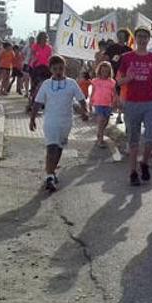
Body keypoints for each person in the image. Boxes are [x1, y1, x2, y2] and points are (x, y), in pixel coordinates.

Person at [29, 56, 88, 192]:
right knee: (51, 148)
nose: (58, 71)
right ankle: (49, 176)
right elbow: (38, 102)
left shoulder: (71, 83)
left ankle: (52, 171)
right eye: (55, 69)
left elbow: (81, 99)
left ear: (64, 68)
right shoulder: (46, 85)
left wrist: (85, 111)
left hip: (66, 122)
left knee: (59, 148)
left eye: (61, 68)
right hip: (50, 121)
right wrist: (32, 118)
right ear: (50, 69)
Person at [117, 27, 152, 186]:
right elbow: (118, 81)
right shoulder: (127, 57)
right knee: (133, 140)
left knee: (151, 137)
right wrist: (128, 78)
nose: (142, 39)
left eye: (145, 37)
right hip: (131, 103)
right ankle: (132, 172)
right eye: (140, 36)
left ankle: (144, 163)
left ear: (148, 39)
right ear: (135, 39)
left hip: (150, 102)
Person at [106, 30, 133, 125]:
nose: (120, 37)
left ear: (126, 37)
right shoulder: (112, 48)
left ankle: (119, 115)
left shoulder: (129, 49)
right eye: (119, 35)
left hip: (123, 76)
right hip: (112, 74)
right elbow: (106, 59)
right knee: (112, 94)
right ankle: (108, 112)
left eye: (122, 36)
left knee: (122, 95)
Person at [89, 61, 117, 148]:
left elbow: (114, 93)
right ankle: (100, 140)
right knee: (101, 121)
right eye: (103, 71)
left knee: (106, 121)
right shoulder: (95, 81)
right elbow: (92, 92)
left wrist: (114, 101)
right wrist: (90, 102)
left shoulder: (112, 82)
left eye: (106, 71)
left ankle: (99, 133)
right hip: (98, 103)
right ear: (99, 71)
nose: (104, 73)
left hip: (108, 104)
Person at [28, 32, 53, 113]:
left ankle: (42, 103)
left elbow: (50, 57)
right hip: (36, 67)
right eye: (42, 38)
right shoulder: (35, 46)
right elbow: (32, 55)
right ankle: (32, 103)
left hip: (46, 68)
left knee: (44, 85)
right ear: (39, 38)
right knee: (36, 86)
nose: (44, 39)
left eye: (45, 38)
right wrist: (33, 60)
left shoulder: (49, 48)